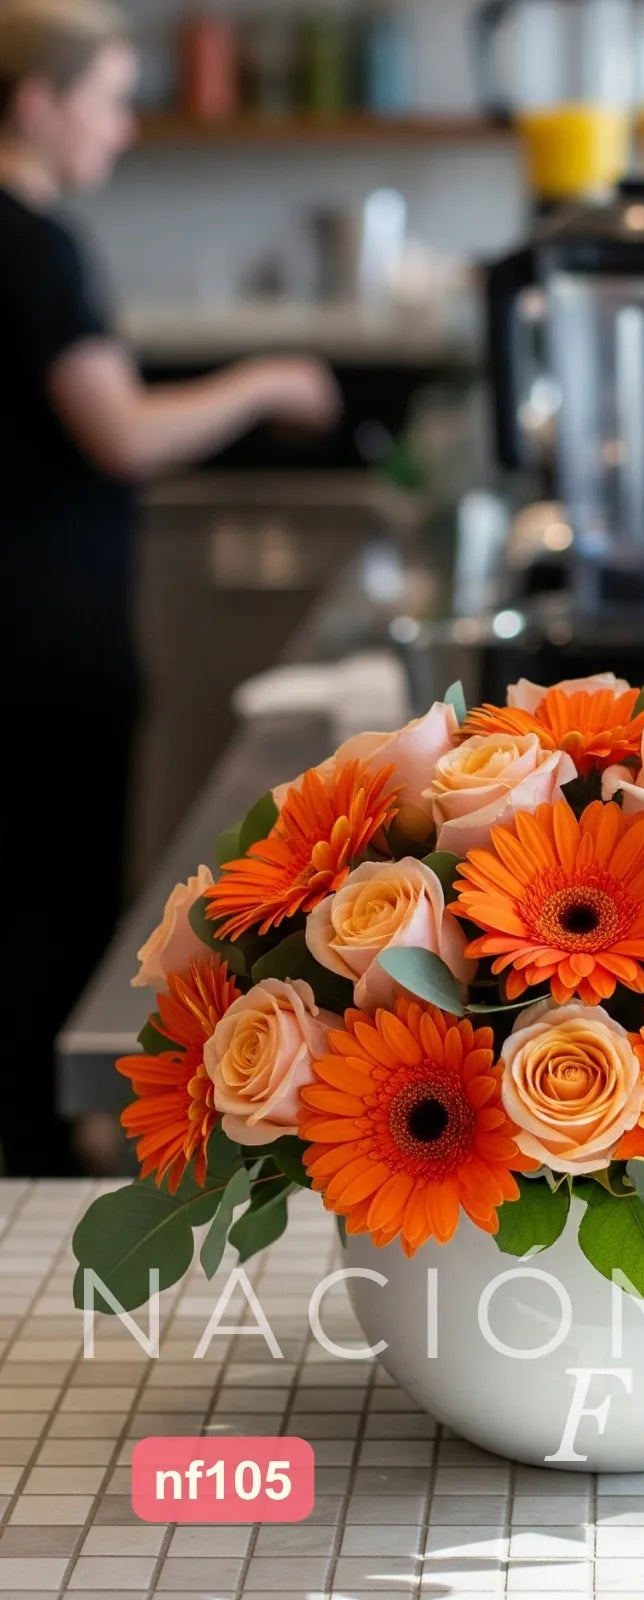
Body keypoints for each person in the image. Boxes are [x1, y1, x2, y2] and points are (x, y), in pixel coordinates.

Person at [0, 0, 341, 1177]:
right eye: (106, 98)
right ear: (36, 104)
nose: (125, 127)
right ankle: (35, 1170)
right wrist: (266, 380)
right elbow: (123, 434)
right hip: (44, 630)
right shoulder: (31, 242)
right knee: (47, 898)